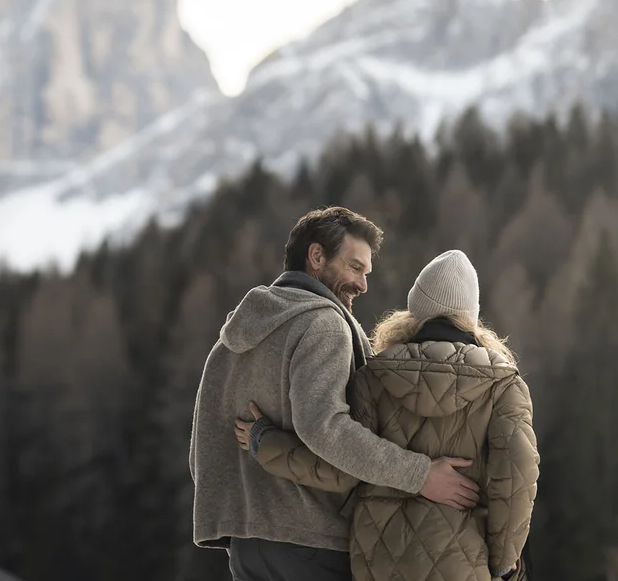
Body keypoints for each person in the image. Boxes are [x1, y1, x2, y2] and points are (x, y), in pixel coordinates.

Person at [190, 206, 481, 581]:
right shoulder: (322, 325)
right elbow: (325, 428)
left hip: (247, 546)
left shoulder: (233, 337)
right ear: (316, 257)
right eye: (355, 267)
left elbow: (202, 445)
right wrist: (420, 475)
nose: (363, 285)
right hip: (312, 544)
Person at [233, 249, 539, 581]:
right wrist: (504, 563)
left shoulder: (373, 377)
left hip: (377, 562)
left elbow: (340, 464)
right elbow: (517, 481)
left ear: (415, 308)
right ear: (471, 315)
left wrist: (266, 442)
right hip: (464, 564)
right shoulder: (503, 385)